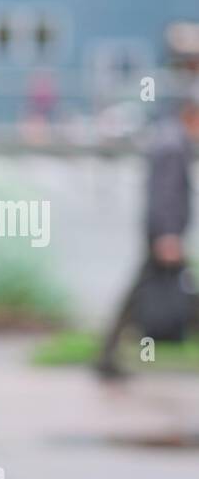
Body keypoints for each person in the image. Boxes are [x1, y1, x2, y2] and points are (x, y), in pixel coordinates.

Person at [95, 90, 199, 379]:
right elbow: (165, 193)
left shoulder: (168, 139)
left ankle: (107, 355)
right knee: (182, 291)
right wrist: (168, 234)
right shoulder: (173, 145)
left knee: (145, 293)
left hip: (160, 234)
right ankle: (107, 355)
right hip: (164, 236)